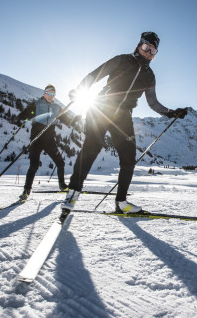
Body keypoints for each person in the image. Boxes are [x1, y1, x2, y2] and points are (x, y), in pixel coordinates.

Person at [62, 32, 188, 215]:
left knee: (128, 158)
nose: (149, 53)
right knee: (92, 147)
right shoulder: (122, 60)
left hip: (123, 116)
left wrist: (171, 113)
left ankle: (121, 202)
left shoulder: (150, 76)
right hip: (101, 108)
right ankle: (72, 193)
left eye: (153, 51)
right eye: (146, 47)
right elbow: (95, 75)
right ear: (139, 45)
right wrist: (79, 90)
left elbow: (153, 103)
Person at [17, 84, 81, 202]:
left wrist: (75, 120)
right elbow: (25, 114)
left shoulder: (57, 108)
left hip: (49, 140)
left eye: (53, 94)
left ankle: (62, 185)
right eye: (49, 93)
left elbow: (67, 120)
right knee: (34, 166)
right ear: (44, 93)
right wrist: (23, 116)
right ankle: (26, 192)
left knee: (60, 162)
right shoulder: (36, 104)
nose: (51, 96)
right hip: (36, 139)